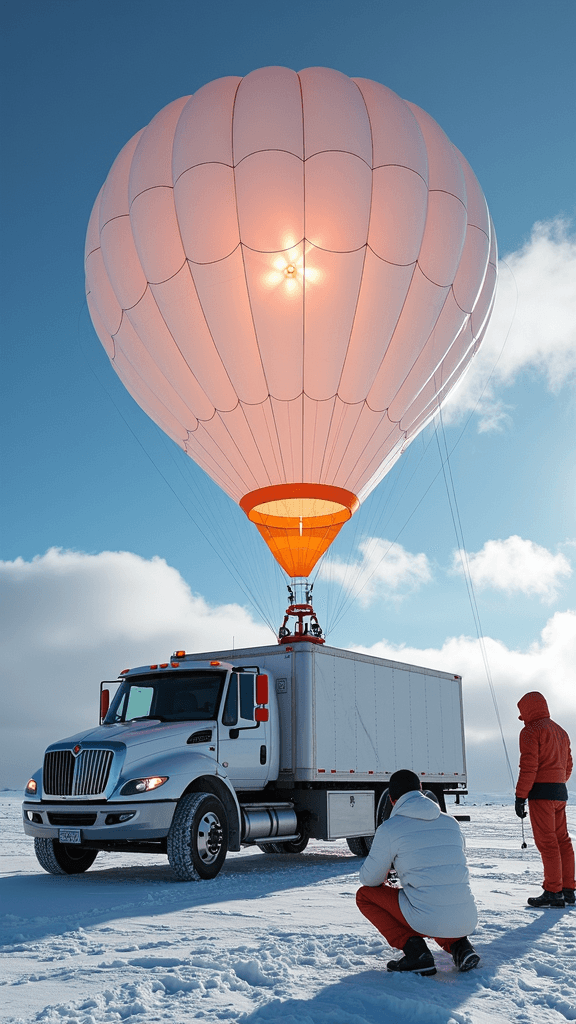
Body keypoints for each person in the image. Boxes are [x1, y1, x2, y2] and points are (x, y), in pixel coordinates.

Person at [356, 769, 479, 976]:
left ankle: (416, 954)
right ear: (421, 790)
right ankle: (461, 947)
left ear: (392, 800)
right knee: (437, 893)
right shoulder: (451, 823)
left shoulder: (390, 828)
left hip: (426, 918)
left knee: (365, 896)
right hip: (466, 919)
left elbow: (369, 879)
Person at [514, 691, 575, 908]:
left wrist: (520, 795)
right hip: (560, 792)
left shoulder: (530, 731)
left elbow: (528, 767)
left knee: (548, 844)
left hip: (541, 795)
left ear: (527, 710)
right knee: (563, 841)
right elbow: (568, 766)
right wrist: (557, 782)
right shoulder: (561, 731)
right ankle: (569, 890)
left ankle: (553, 892)